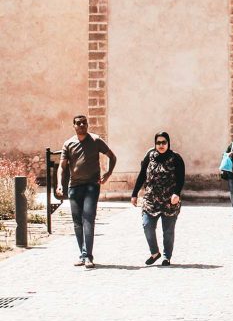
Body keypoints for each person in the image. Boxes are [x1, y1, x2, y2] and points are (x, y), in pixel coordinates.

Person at [56, 115, 117, 268]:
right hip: (74, 187)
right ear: (74, 126)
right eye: (78, 123)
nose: (82, 125)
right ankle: (83, 255)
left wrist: (108, 174)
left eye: (84, 123)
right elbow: (62, 167)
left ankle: (88, 256)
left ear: (87, 125)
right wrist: (59, 184)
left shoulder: (96, 140)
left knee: (88, 219)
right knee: (77, 222)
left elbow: (112, 156)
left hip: (92, 185)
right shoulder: (68, 144)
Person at [131, 132, 185, 266]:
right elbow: (142, 175)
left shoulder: (176, 158)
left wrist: (176, 193)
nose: (161, 145)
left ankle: (166, 257)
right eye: (158, 143)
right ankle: (155, 253)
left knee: (168, 230)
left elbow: (181, 178)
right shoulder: (150, 157)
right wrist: (134, 193)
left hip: (169, 200)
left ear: (168, 143)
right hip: (151, 199)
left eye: (164, 142)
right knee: (147, 225)